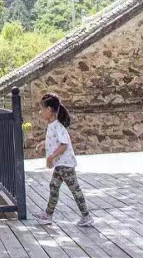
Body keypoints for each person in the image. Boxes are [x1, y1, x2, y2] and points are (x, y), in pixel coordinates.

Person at [33, 93, 94, 227]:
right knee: (54, 186)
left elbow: (64, 145)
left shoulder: (58, 126)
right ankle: (48, 215)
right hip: (60, 165)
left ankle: (86, 216)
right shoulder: (52, 125)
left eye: (42, 109)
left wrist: (51, 157)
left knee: (74, 189)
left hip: (65, 164)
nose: (40, 112)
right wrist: (43, 144)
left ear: (49, 110)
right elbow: (53, 141)